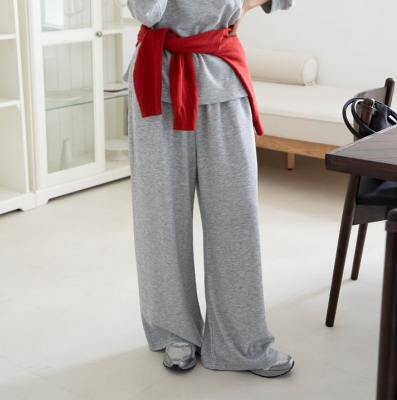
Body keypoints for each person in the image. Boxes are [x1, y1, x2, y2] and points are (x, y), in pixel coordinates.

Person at [124, 0, 297, 378]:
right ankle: (175, 331)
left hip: (222, 76)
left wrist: (243, 5)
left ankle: (241, 342)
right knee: (160, 219)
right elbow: (146, 10)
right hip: (158, 81)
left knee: (236, 219)